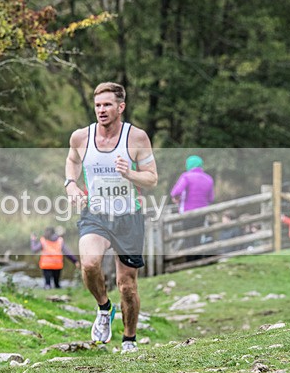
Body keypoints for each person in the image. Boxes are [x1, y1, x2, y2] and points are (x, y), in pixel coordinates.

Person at [64, 82, 157, 354]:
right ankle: (104, 308)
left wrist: (130, 174)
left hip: (128, 217)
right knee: (89, 263)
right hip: (96, 215)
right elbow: (72, 161)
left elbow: (152, 179)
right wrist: (71, 184)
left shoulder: (136, 138)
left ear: (121, 107)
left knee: (127, 286)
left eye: (107, 105)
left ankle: (129, 340)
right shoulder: (81, 137)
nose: (101, 110)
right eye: (98, 105)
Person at [170, 155, 214, 261]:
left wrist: (177, 198)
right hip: (202, 212)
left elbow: (175, 192)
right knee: (198, 236)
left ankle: (190, 260)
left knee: (188, 237)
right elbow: (211, 198)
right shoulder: (208, 179)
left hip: (187, 212)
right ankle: (198, 260)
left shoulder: (186, 176)